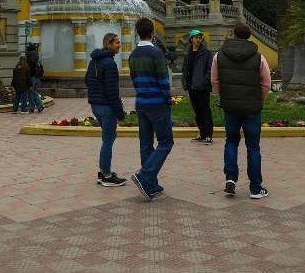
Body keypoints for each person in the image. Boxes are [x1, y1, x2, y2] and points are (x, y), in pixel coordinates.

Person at [212, 24, 272, 200]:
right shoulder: (259, 57)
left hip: (230, 107)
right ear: (249, 37)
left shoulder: (219, 56)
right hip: (252, 108)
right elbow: (266, 83)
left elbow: (214, 80)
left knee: (231, 141)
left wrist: (222, 95)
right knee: (253, 147)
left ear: (233, 35)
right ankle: (255, 187)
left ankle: (230, 178)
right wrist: (259, 99)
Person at [128, 17, 173, 202]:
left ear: (138, 32)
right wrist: (168, 97)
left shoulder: (132, 55)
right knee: (166, 142)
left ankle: (151, 184)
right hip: (157, 103)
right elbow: (163, 79)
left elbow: (133, 78)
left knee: (146, 143)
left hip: (142, 102)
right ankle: (145, 175)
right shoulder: (156, 53)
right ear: (152, 32)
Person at [86, 33, 127, 187]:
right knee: (108, 140)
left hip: (95, 105)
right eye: (117, 43)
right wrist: (120, 112)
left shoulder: (94, 61)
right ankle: (107, 175)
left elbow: (87, 80)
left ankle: (103, 172)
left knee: (107, 138)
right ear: (108, 44)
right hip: (106, 106)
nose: (119, 45)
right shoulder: (109, 63)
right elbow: (112, 91)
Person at [182, 29, 214, 145]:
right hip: (191, 86)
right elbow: (185, 69)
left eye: (200, 37)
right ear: (191, 39)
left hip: (202, 87)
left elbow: (210, 70)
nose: (198, 39)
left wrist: (204, 82)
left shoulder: (206, 53)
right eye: (196, 37)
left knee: (205, 110)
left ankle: (209, 135)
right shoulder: (188, 52)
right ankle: (202, 133)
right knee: (197, 112)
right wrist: (185, 82)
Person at [26, 44, 45, 113]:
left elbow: (29, 68)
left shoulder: (28, 55)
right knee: (32, 91)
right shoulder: (37, 54)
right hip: (37, 76)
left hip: (32, 76)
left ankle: (39, 105)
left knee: (31, 91)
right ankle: (32, 107)